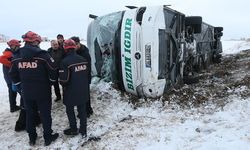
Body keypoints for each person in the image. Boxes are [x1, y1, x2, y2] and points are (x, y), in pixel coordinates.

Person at [9, 31, 59, 146]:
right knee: (45, 114)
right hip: (43, 91)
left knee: (30, 114)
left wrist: (20, 86)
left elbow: (13, 74)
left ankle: (32, 138)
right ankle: (48, 137)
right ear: (35, 41)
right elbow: (53, 70)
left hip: (26, 91)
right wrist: (51, 82)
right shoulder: (43, 55)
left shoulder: (17, 56)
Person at [59, 39, 89, 137]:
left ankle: (73, 129)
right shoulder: (83, 59)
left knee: (70, 111)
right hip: (83, 90)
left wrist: (61, 82)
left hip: (70, 91)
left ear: (66, 49)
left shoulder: (64, 62)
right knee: (82, 111)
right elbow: (88, 75)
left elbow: (64, 80)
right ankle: (83, 130)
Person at [71, 36, 93, 117]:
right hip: (78, 78)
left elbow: (88, 67)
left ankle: (87, 111)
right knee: (81, 95)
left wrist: (86, 78)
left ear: (78, 43)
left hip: (84, 77)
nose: (74, 47)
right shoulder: (75, 52)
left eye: (75, 45)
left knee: (85, 95)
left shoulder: (84, 53)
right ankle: (87, 110)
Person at [0, 39, 21, 112]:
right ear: (12, 46)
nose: (18, 47)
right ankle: (15, 106)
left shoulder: (11, 52)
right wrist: (11, 64)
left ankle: (13, 106)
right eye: (17, 45)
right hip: (10, 77)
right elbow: (1, 58)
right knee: (17, 90)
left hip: (9, 76)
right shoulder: (9, 53)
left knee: (13, 91)